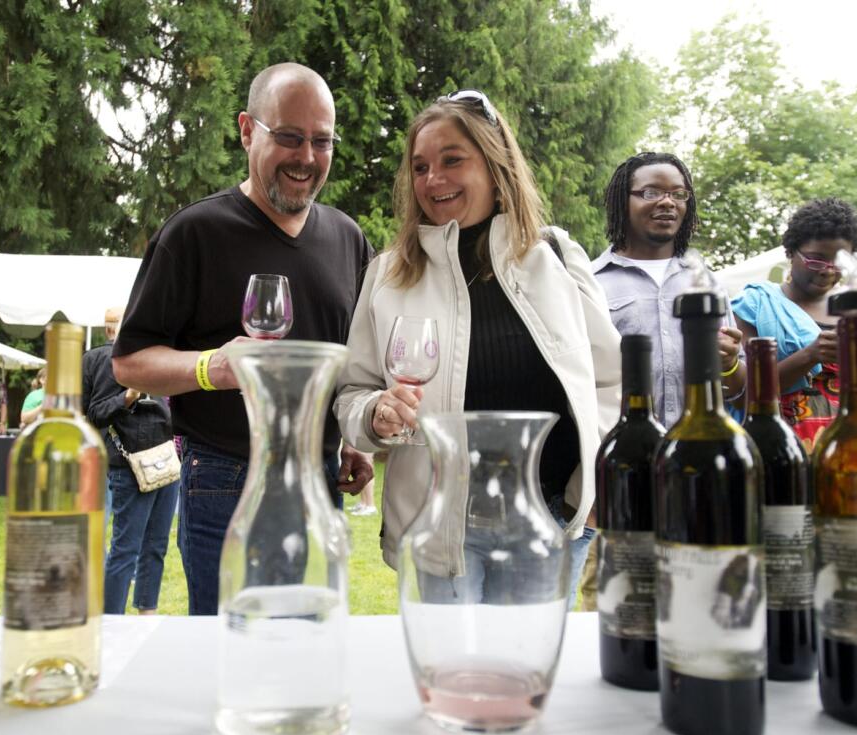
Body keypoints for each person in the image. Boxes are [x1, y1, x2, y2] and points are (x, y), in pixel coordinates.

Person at [333, 90, 622, 608]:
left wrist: (594, 480)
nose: (433, 180)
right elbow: (354, 393)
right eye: (420, 167)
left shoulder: (555, 256)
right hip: (437, 529)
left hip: (548, 523)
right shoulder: (388, 273)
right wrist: (375, 414)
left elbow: (610, 380)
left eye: (452, 160)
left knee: (524, 675)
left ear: (495, 164)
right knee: (445, 677)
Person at [112, 63, 375, 615]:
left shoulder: (348, 238)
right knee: (233, 646)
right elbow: (130, 363)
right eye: (289, 137)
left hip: (320, 477)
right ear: (246, 130)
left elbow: (349, 358)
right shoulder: (194, 233)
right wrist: (212, 367)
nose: (306, 157)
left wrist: (351, 439)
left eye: (321, 141)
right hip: (227, 480)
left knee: (311, 641)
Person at [731, 198, 857, 450]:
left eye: (838, 262)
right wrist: (810, 356)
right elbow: (743, 394)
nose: (827, 271)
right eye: (815, 260)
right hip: (782, 450)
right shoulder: (754, 305)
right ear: (791, 252)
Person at [591, 152, 747, 429]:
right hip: (621, 448)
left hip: (695, 451)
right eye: (651, 192)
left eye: (678, 194)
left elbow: (737, 391)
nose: (667, 202)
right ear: (622, 201)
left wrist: (730, 362)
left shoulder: (706, 284)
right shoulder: (592, 283)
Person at [83, 307, 180, 615]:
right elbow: (94, 413)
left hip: (164, 460)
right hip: (129, 465)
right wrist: (127, 397)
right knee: (126, 548)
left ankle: (146, 611)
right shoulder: (104, 359)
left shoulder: (158, 357)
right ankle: (111, 619)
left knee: (156, 545)